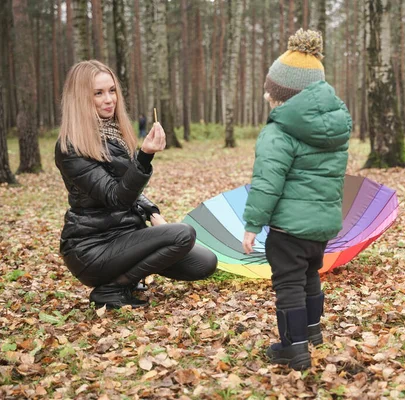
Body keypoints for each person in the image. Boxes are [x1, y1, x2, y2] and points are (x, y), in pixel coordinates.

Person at [55, 60, 217, 309]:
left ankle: (126, 278)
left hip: (125, 235)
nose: (109, 99)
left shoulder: (113, 133)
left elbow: (125, 186)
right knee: (183, 233)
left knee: (205, 262)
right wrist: (144, 156)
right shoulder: (70, 147)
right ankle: (113, 288)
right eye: (98, 93)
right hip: (92, 248)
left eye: (112, 91)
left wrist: (152, 211)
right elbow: (115, 197)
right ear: (80, 98)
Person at [242, 29, 351, 371]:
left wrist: (252, 224)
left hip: (289, 229)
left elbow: (267, 182)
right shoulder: (333, 128)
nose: (266, 95)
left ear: (283, 95)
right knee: (309, 275)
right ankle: (313, 332)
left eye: (270, 90)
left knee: (288, 283)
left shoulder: (278, 131)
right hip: (320, 226)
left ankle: (295, 348)